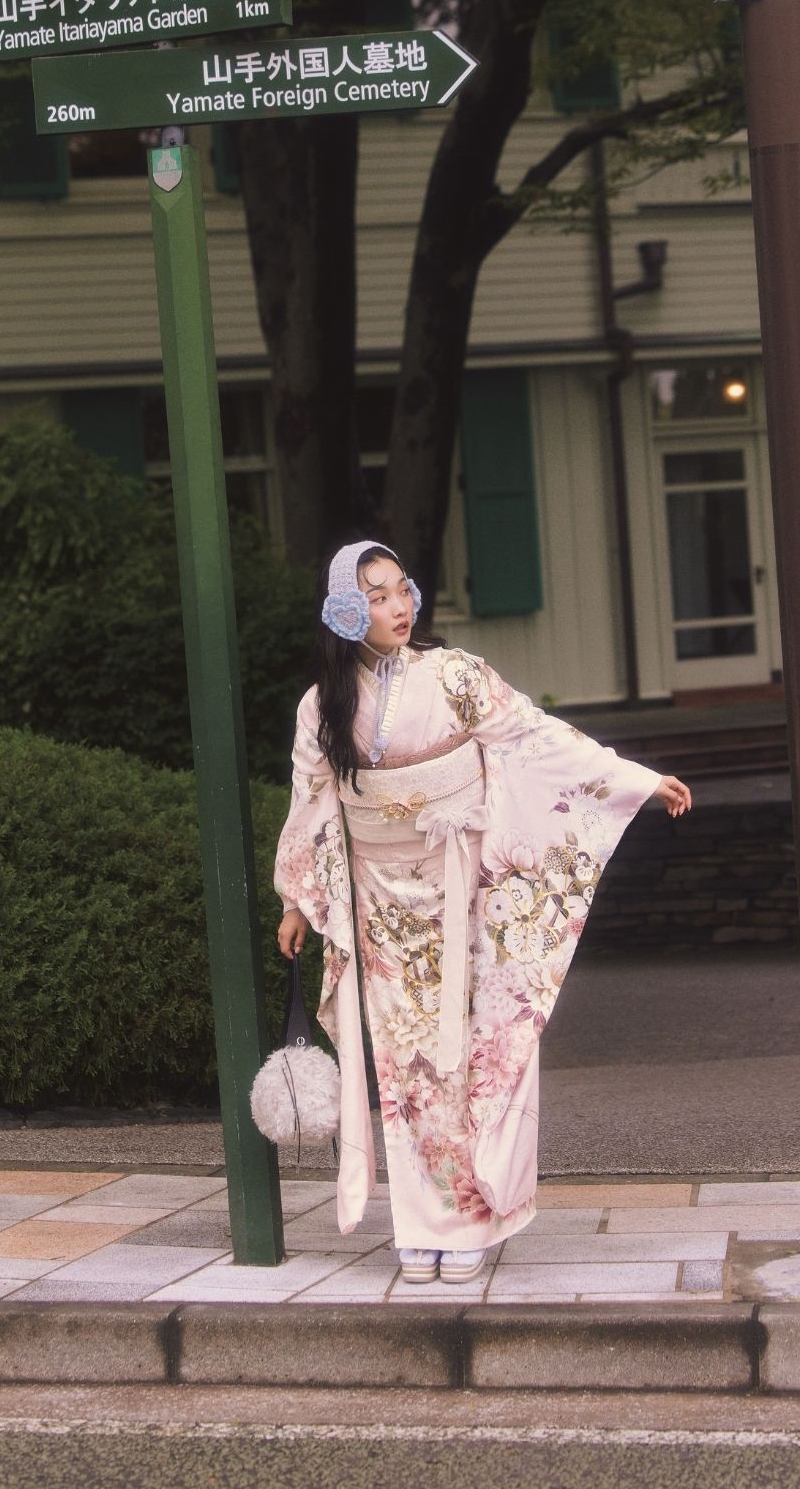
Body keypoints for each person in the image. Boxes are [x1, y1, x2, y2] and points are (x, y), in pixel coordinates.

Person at [274, 540, 692, 1286]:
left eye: (402, 589)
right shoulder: (321, 706)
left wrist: (631, 780)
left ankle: (468, 1218)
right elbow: (312, 797)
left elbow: (535, 736)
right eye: (377, 596)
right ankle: (420, 1223)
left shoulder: (455, 675)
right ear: (344, 613)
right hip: (382, 906)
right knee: (405, 1062)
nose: (399, 606)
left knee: (470, 1052)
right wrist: (298, 899)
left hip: (464, 889)